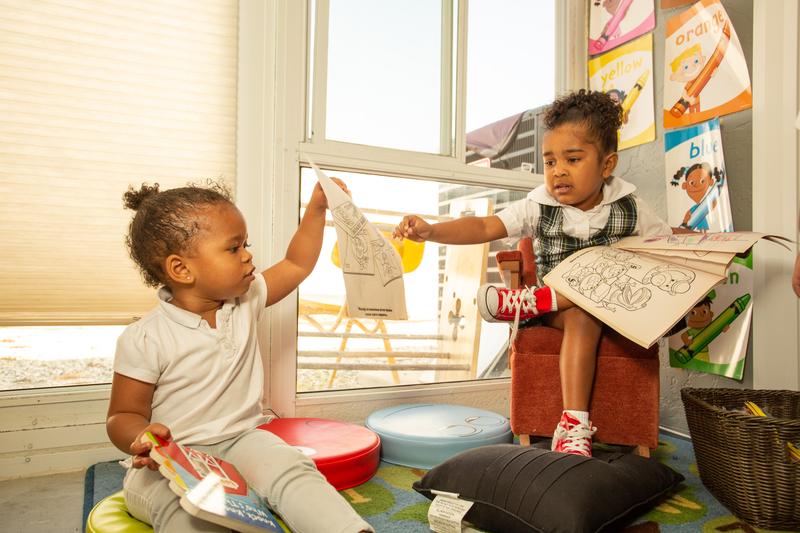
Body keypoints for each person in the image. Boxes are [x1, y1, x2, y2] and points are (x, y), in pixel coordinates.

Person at [394, 90, 673, 457]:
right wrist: (432, 231)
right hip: (561, 312)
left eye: (572, 159)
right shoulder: (538, 205)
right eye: (550, 161)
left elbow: (668, 249)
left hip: (616, 307)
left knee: (603, 291)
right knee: (581, 315)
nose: (558, 171)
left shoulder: (631, 206)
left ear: (607, 165)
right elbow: (483, 228)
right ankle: (574, 426)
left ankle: (525, 305)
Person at [107, 180, 373, 533]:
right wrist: (142, 437)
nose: (248, 255)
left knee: (291, 470)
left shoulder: (247, 300)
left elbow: (296, 264)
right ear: (181, 269)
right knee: (183, 509)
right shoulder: (144, 338)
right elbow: (122, 414)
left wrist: (317, 209)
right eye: (234, 248)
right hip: (173, 459)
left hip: (243, 440)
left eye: (245, 244)